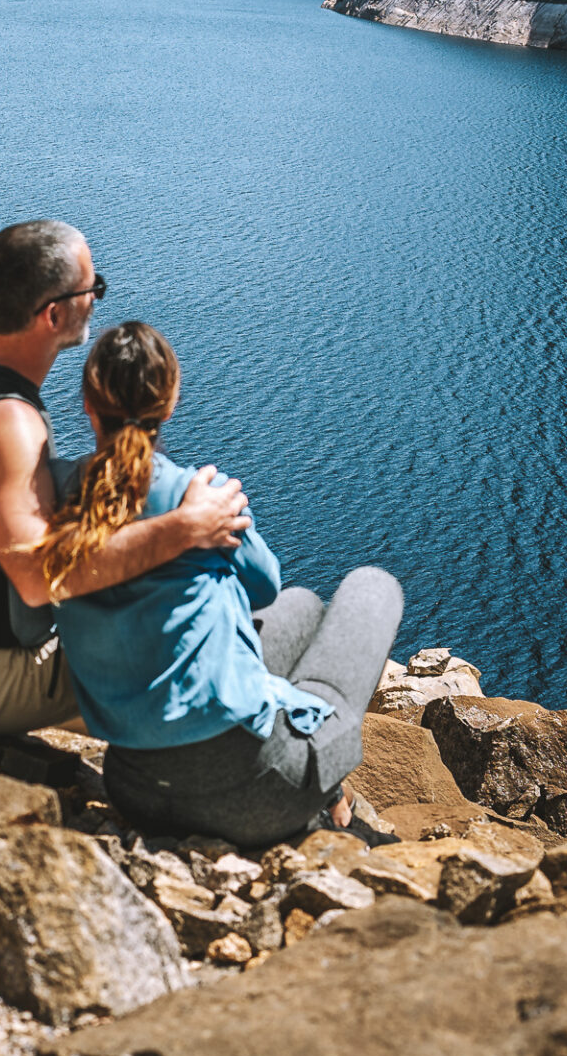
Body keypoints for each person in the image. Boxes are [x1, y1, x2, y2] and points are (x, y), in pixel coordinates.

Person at [39, 320, 403, 846]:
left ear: (87, 405)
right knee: (371, 589)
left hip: (133, 788)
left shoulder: (54, 495)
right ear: (170, 403)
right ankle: (327, 793)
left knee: (300, 606)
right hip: (253, 795)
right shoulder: (201, 498)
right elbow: (261, 584)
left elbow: (276, 599)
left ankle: (320, 783)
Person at [0, 220, 251, 735]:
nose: (99, 299)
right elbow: (36, 581)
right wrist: (184, 528)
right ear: (54, 314)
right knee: (216, 630)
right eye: (92, 289)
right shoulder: (10, 422)